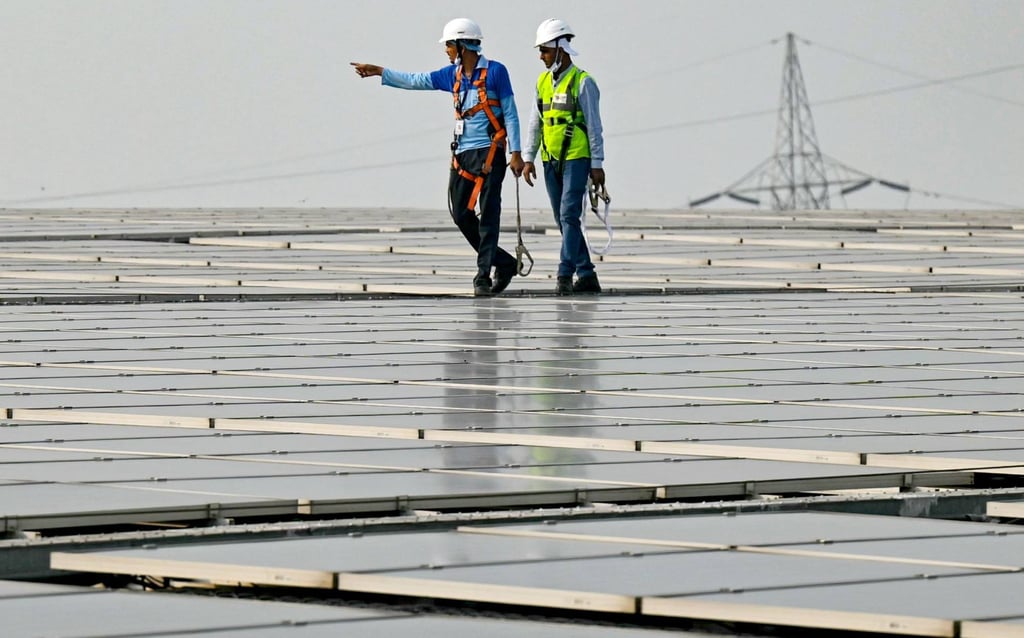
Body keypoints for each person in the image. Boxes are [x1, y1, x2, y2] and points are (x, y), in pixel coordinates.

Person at [351, 18, 525, 297]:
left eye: (448, 45)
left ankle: (483, 275)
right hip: (462, 156)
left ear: (460, 45)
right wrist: (380, 72)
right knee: (461, 215)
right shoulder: (451, 75)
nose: (445, 50)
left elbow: (511, 113)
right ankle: (503, 262)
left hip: (491, 153)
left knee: (489, 215)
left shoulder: (496, 72)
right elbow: (416, 81)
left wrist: (516, 153)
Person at [522, 18, 605, 295]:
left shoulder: (583, 82)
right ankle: (587, 273)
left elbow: (594, 126)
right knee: (562, 218)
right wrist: (528, 157)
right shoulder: (542, 82)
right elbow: (536, 123)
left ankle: (564, 273)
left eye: (545, 50)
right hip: (550, 158)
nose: (541, 56)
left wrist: (597, 164)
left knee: (569, 214)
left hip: (577, 158)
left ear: (560, 48)